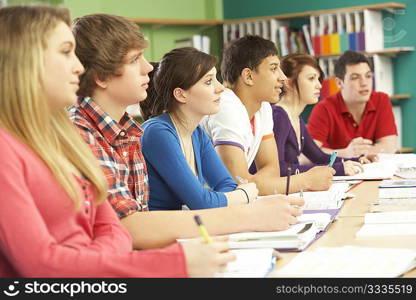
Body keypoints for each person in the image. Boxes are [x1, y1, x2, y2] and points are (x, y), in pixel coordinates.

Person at [0, 5, 236, 278]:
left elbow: (111, 228)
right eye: (66, 52)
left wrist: (93, 258)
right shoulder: (14, 148)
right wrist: (174, 262)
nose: (78, 68)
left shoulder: (62, 137)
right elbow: (44, 265)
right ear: (24, 62)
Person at [69, 14, 304, 250]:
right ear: (100, 76)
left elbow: (223, 187)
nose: (148, 67)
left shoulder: (127, 131)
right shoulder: (85, 133)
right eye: (135, 59)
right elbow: (130, 227)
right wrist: (248, 213)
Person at [201, 35, 335, 195]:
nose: (283, 78)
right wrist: (304, 181)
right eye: (273, 69)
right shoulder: (225, 106)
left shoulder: (263, 107)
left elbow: (272, 170)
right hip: (201, 210)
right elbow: (237, 186)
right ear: (248, 76)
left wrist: (254, 183)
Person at [140, 48, 258, 210]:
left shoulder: (196, 133)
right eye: (209, 81)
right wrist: (244, 194)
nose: (220, 88)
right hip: (162, 230)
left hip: (187, 227)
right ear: (181, 95)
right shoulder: (158, 133)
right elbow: (201, 202)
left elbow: (226, 184)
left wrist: (226, 197)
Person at [274, 53, 377, 176]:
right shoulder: (278, 116)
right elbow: (279, 169)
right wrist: (338, 169)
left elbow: (319, 157)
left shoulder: (296, 118)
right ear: (289, 83)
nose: (319, 85)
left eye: (318, 79)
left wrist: (357, 161)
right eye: (311, 78)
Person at [308, 50, 398, 158]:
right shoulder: (324, 109)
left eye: (368, 76)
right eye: (355, 78)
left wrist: (361, 152)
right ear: (339, 83)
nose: (364, 83)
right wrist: (346, 153)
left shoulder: (381, 100)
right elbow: (308, 156)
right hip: (339, 173)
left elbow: (389, 147)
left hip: (374, 171)